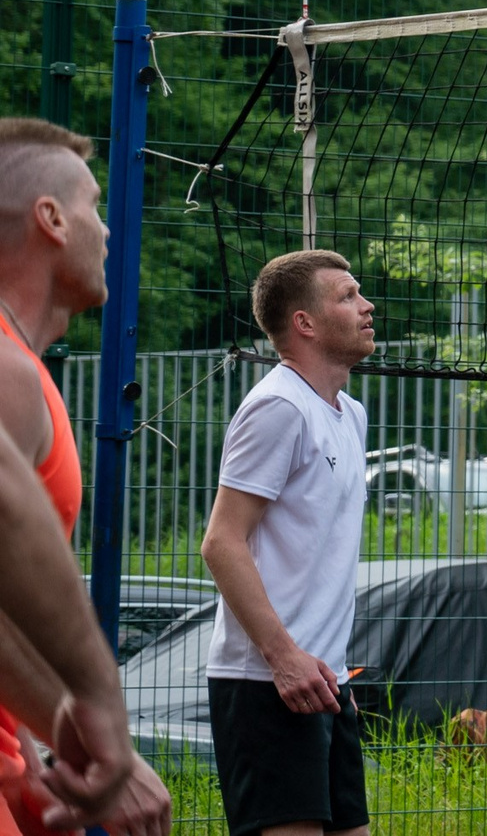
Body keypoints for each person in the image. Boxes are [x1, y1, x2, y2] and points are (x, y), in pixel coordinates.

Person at [0, 119, 171, 836]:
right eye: (94, 205)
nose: (106, 229)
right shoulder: (5, 369)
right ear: (51, 217)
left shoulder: (23, 368)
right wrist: (93, 707)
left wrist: (32, 752)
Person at [200, 251, 378, 836]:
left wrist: (322, 668)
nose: (366, 306)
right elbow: (221, 543)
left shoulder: (348, 414)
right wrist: (285, 659)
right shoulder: (278, 405)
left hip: (323, 684)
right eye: (347, 296)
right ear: (304, 322)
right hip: (266, 683)